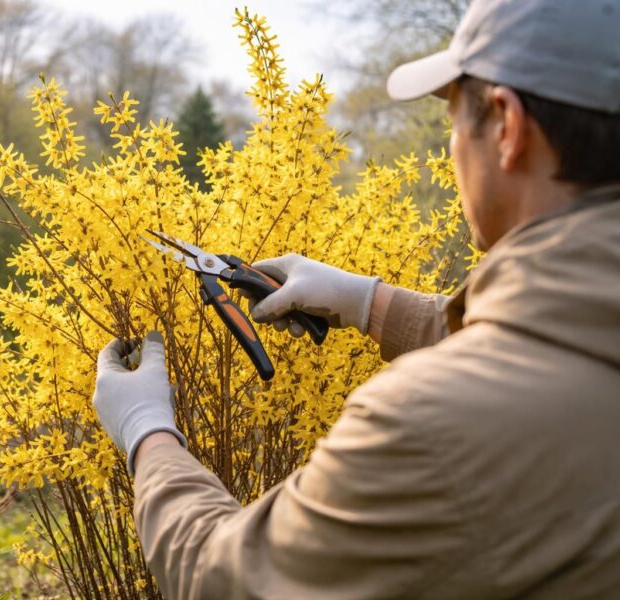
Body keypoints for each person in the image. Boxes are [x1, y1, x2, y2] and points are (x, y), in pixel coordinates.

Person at [92, 0, 620, 597]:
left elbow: (225, 581)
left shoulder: (430, 426)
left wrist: (148, 435)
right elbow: (553, 348)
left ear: (508, 127)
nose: (451, 147)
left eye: (452, 119)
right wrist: (370, 302)